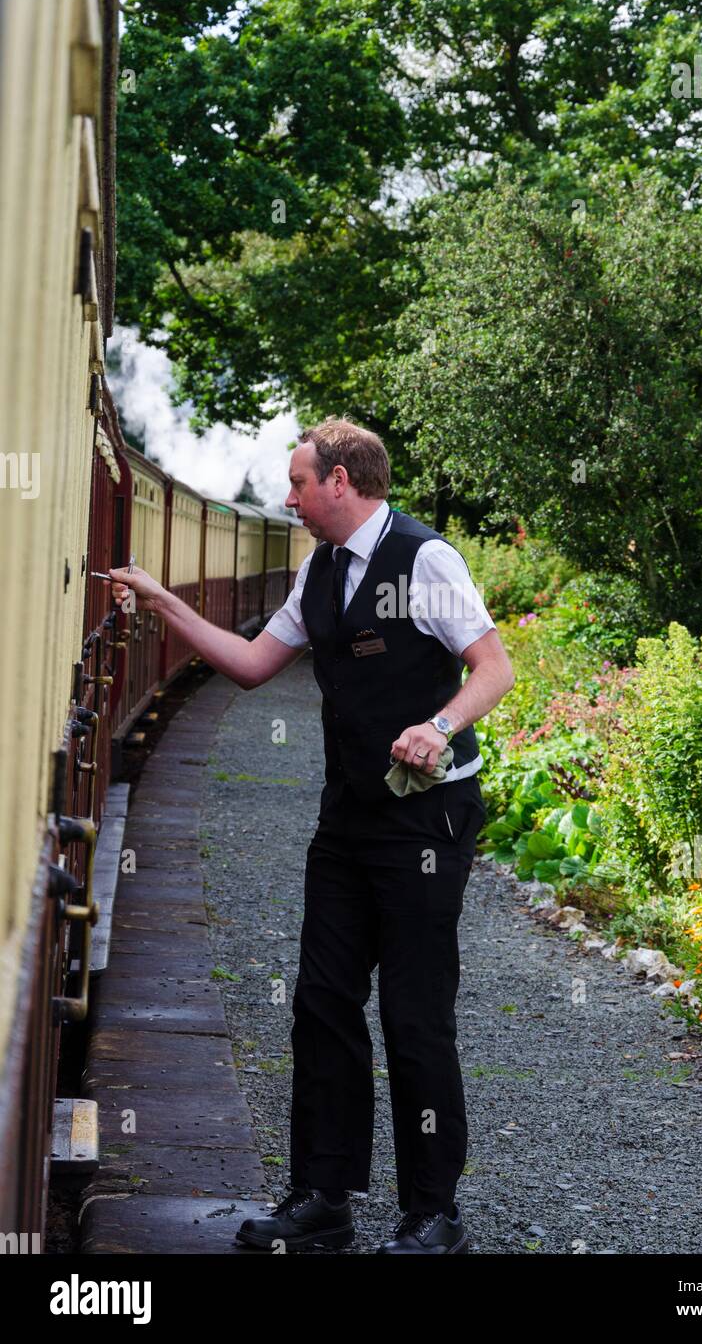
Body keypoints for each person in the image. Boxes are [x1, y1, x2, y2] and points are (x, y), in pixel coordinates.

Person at [108, 418, 515, 1254]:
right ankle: (323, 1196)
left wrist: (438, 725)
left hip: (427, 819)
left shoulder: (424, 558)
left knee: (413, 1012)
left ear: (340, 480)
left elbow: (495, 667)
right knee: (321, 1002)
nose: (288, 498)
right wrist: (163, 602)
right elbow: (255, 664)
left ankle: (433, 1214)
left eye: (297, 483)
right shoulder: (321, 571)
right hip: (350, 815)